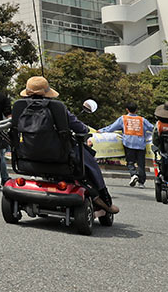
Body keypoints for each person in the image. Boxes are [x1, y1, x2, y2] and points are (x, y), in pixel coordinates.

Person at [17, 76, 119, 214]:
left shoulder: (19, 106)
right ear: (47, 92)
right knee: (91, 163)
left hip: (26, 155)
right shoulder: (57, 107)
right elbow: (81, 129)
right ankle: (105, 200)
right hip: (59, 157)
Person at [102, 102, 150, 188]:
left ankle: (133, 174)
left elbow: (112, 127)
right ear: (137, 110)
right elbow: (151, 128)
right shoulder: (142, 120)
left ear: (127, 109)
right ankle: (141, 182)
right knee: (141, 164)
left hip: (129, 143)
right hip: (140, 144)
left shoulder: (123, 119)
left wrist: (101, 131)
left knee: (130, 162)